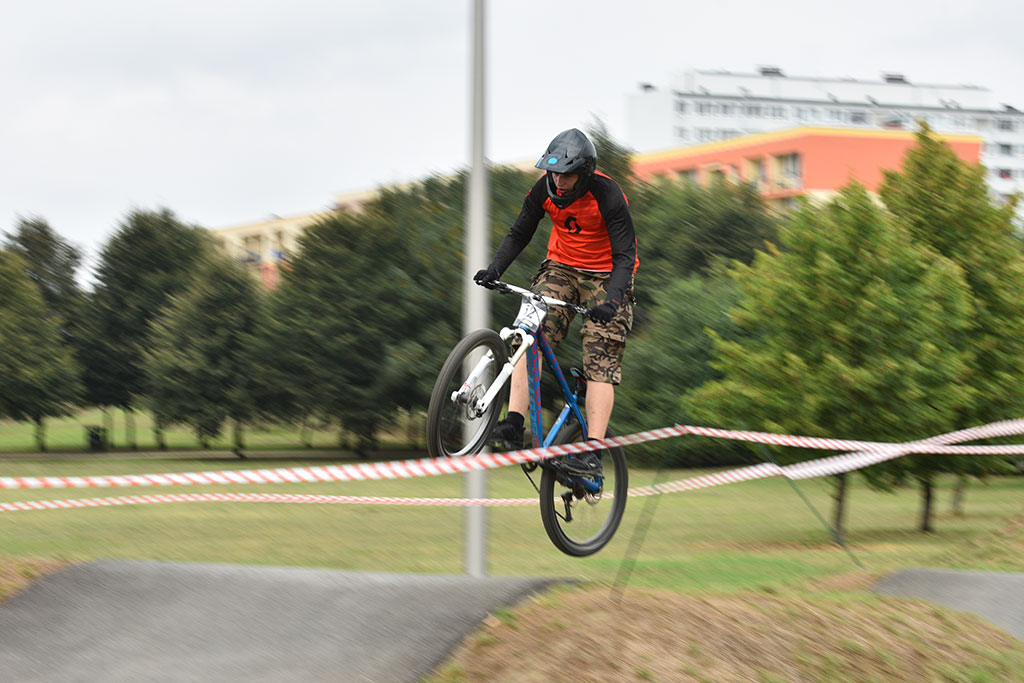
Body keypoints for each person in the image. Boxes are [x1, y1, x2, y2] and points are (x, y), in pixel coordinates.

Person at [473, 128, 638, 475]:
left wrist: (613, 301)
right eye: (554, 173)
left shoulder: (606, 194)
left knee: (600, 361)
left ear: (585, 173)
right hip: (560, 267)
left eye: (567, 175)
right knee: (525, 336)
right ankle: (515, 422)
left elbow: (625, 254)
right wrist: (494, 268)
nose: (559, 182)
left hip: (608, 276)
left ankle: (593, 452)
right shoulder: (543, 190)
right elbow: (520, 232)